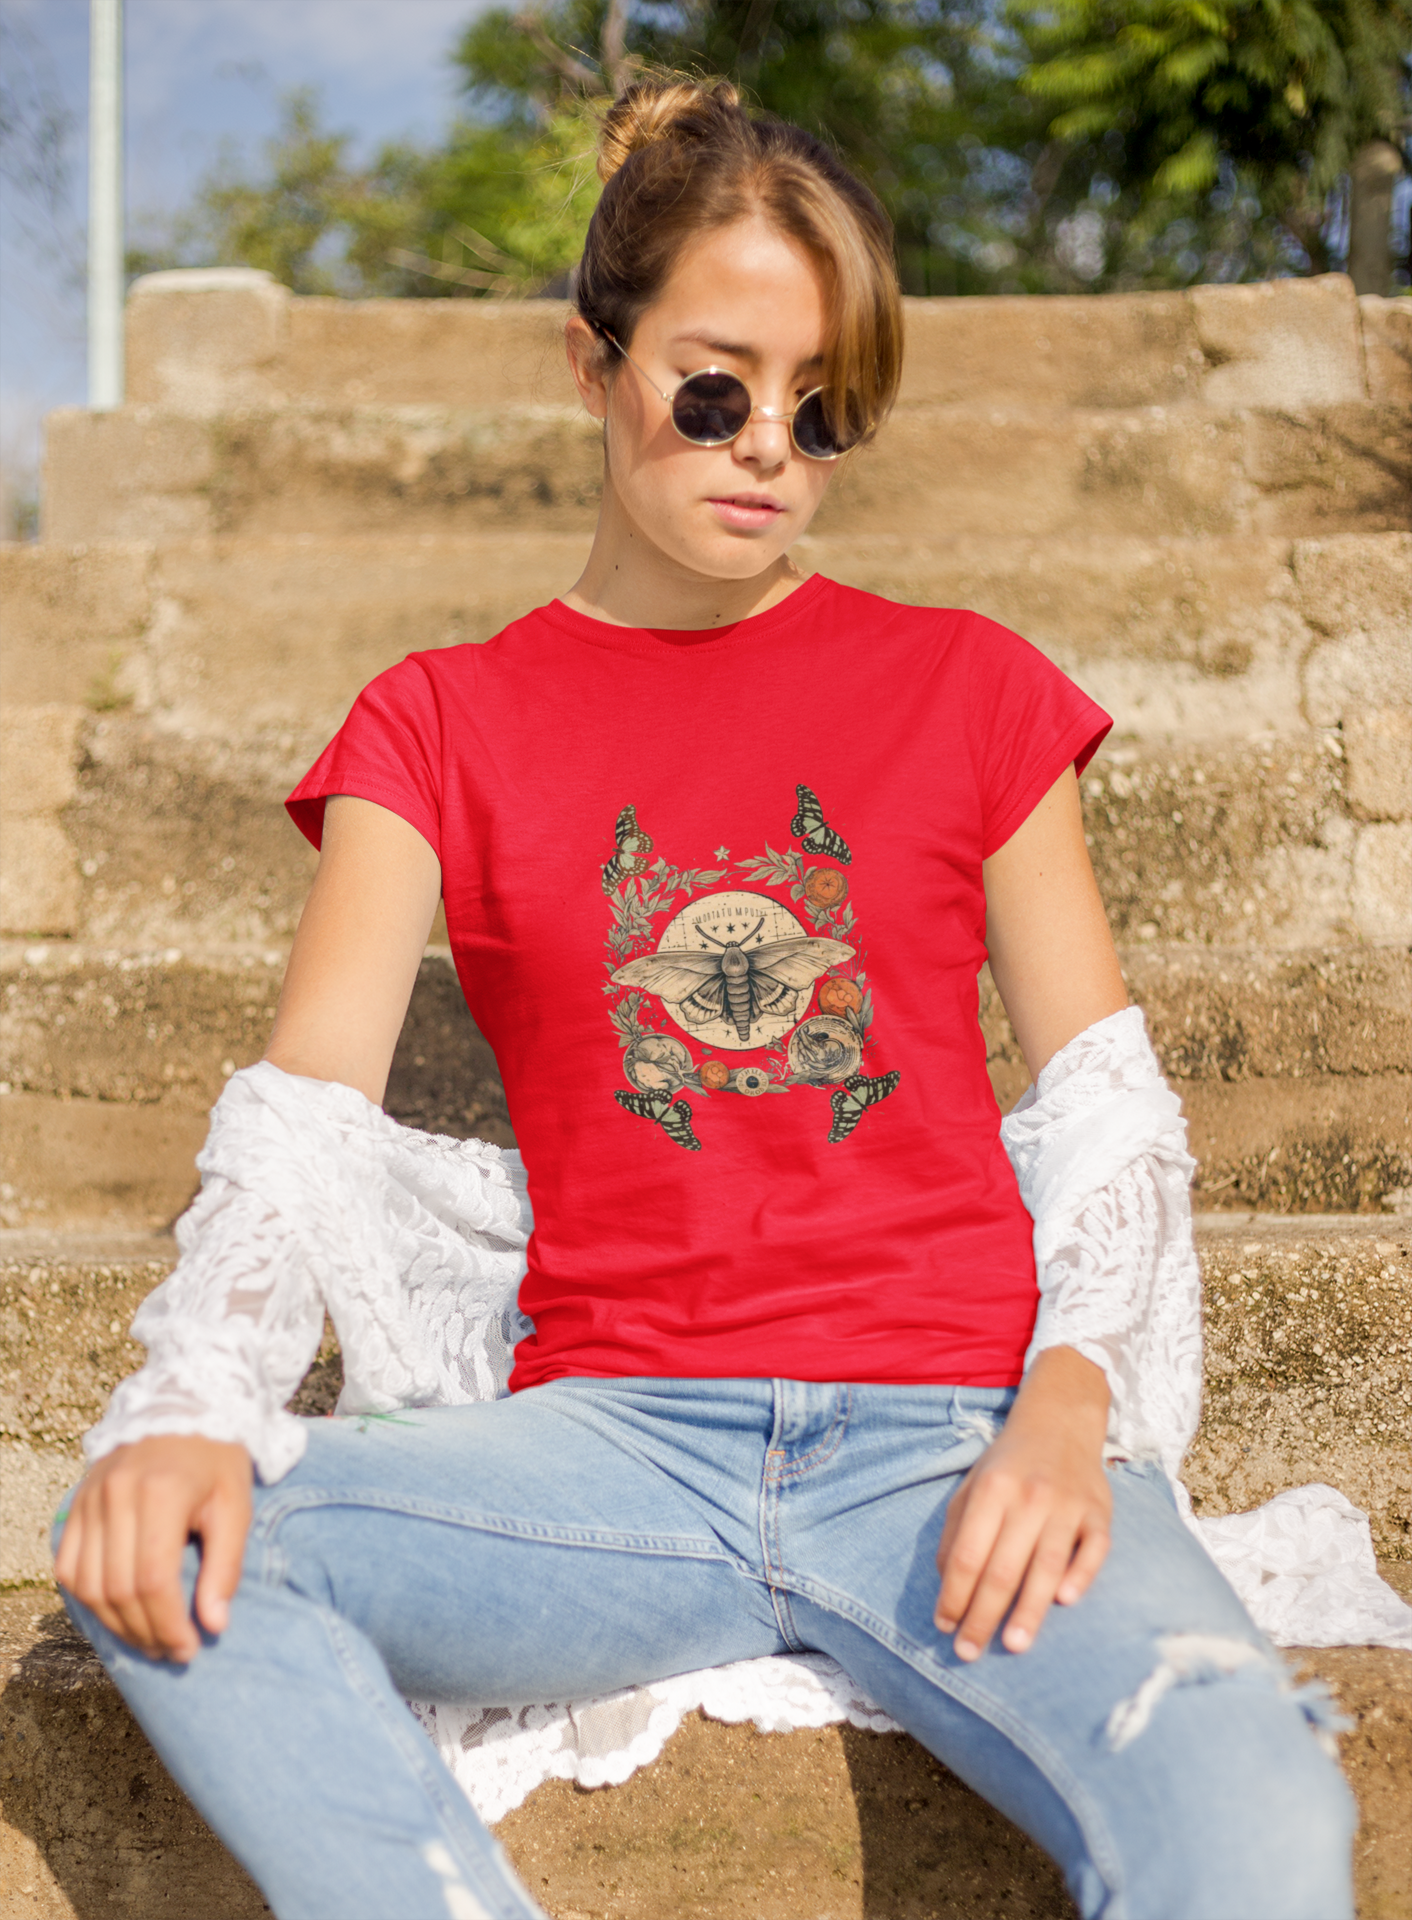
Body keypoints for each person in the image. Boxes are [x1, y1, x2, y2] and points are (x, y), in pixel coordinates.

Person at [54, 78, 1354, 1920]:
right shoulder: (435, 726)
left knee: (1264, 1820)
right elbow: (303, 1127)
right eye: (717, 385)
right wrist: (192, 1395)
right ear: (593, 363)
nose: (767, 449)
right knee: (153, 1532)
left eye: (825, 409)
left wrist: (1072, 1406)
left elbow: (1112, 1108)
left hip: (958, 1434)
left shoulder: (973, 692)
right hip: (613, 1451)